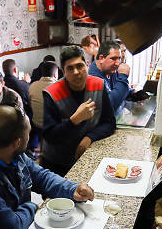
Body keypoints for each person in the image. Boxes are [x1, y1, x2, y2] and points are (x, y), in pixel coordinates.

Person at [41, 45, 116, 176]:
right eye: (70, 68)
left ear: (87, 65)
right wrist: (74, 120)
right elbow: (49, 136)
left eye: (79, 66)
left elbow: (109, 123)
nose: (76, 72)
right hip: (57, 163)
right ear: (63, 72)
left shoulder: (99, 84)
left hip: (87, 156)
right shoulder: (52, 93)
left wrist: (89, 138)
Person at [88, 39, 133, 117]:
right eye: (113, 59)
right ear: (101, 58)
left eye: (119, 58)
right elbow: (110, 105)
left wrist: (132, 92)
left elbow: (117, 90)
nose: (118, 63)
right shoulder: (93, 77)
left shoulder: (110, 69)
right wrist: (123, 76)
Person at [28, 60, 59, 146]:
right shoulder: (59, 87)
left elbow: (30, 105)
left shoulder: (32, 86)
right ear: (56, 74)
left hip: (36, 124)